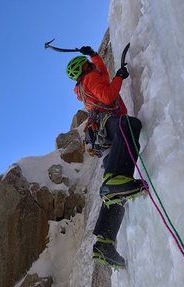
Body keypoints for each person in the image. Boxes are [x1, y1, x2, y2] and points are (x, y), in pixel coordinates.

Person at [66, 46, 146, 268]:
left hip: (104, 136)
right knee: (131, 124)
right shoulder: (90, 78)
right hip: (108, 124)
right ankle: (114, 180)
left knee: (116, 194)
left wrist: (94, 54)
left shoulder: (86, 83)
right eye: (89, 63)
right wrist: (120, 77)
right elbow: (109, 94)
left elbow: (103, 75)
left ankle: (105, 243)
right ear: (85, 68)